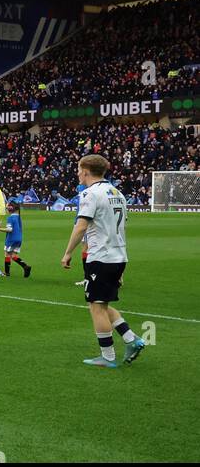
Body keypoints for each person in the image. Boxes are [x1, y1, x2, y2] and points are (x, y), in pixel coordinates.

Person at [60, 154, 146, 368]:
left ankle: (107, 357)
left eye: (79, 169)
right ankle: (131, 339)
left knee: (96, 306)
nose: (78, 173)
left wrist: (68, 252)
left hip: (101, 257)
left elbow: (81, 226)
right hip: (118, 256)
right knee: (102, 302)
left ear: (87, 171)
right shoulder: (118, 193)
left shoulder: (90, 194)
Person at [3, 200, 31, 277]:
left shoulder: (10, 218)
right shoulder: (18, 217)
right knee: (13, 255)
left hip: (11, 238)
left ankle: (7, 273)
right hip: (19, 238)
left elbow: (9, 229)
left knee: (7, 254)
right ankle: (25, 266)